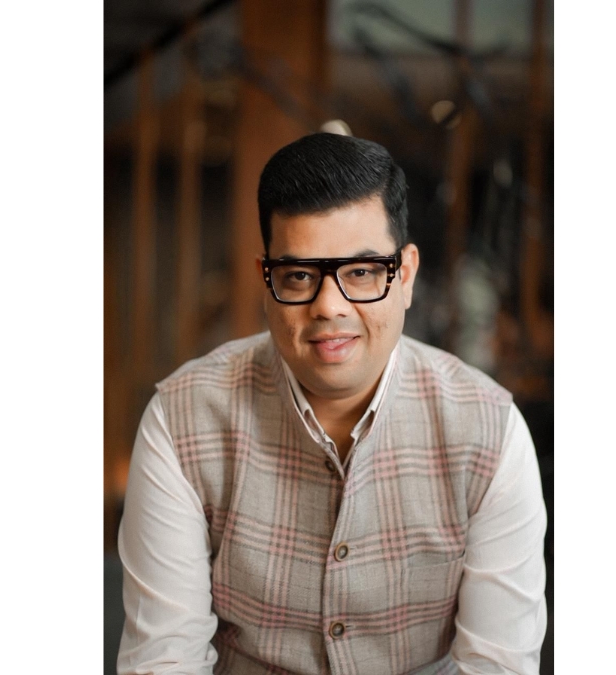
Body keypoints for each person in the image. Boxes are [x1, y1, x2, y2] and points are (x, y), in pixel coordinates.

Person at [117, 133, 547, 674]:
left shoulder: (488, 429)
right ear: (266, 279)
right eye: (299, 276)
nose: (329, 306)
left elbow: (496, 665)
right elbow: (165, 661)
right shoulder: (183, 419)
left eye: (361, 273)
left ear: (405, 275)